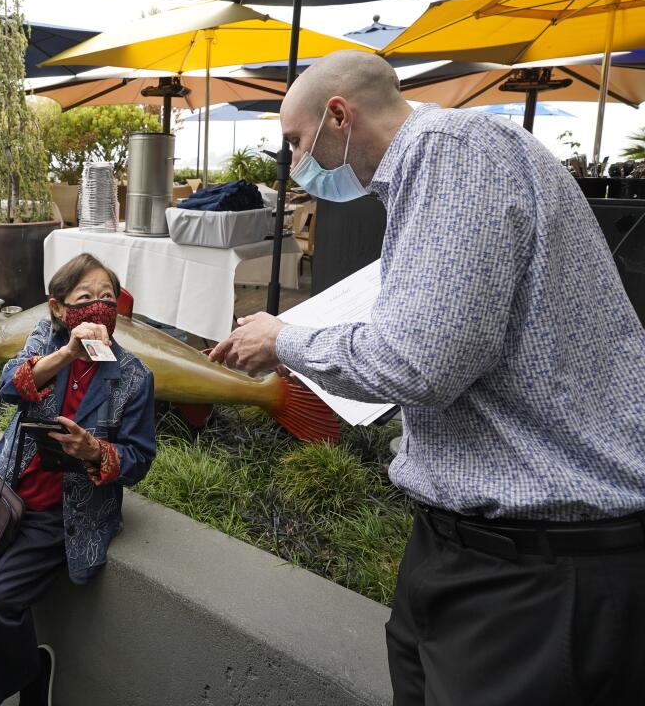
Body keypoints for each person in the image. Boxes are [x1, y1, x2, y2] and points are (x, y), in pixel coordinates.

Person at [210, 50, 645, 705]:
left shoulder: (454, 152)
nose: (296, 163)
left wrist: (284, 339)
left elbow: (421, 362)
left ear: (338, 116)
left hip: (538, 568)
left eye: (296, 143)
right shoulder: (432, 168)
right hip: (474, 551)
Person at [0, 253, 156, 706]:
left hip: (62, 516)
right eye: (85, 298)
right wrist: (67, 354)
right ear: (59, 308)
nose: (98, 307)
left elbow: (139, 459)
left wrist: (96, 451)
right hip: (6, 499)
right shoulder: (46, 338)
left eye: (107, 297)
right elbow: (6, 387)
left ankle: (33, 675)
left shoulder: (134, 377)